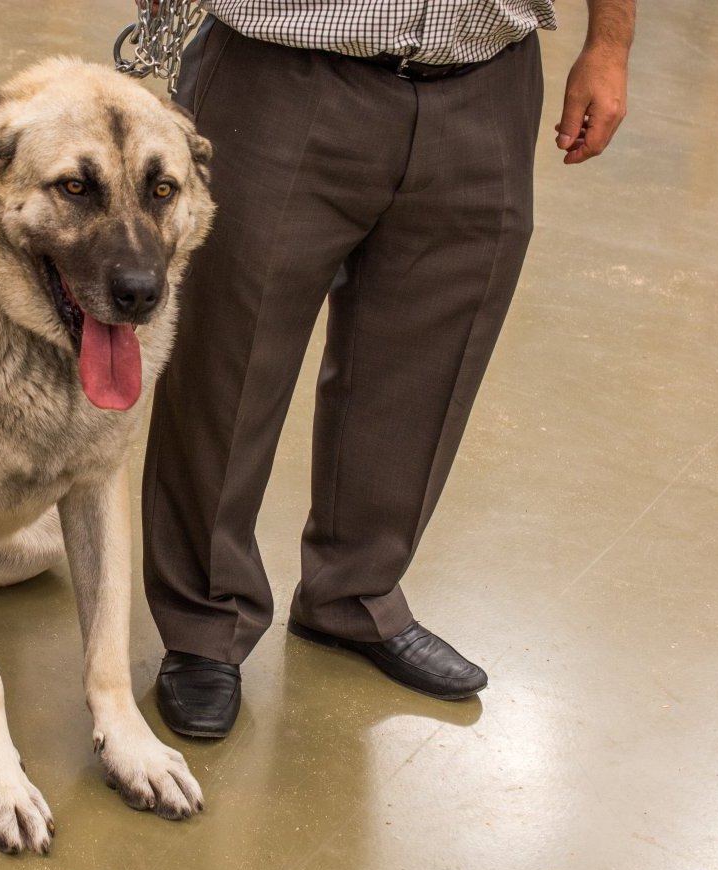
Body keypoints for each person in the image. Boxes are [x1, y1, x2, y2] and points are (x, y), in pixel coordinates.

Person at [143, 0, 634, 737]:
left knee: (428, 358)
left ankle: (355, 594)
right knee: (228, 361)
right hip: (281, 67)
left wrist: (610, 43)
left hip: (485, 77)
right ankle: (205, 623)